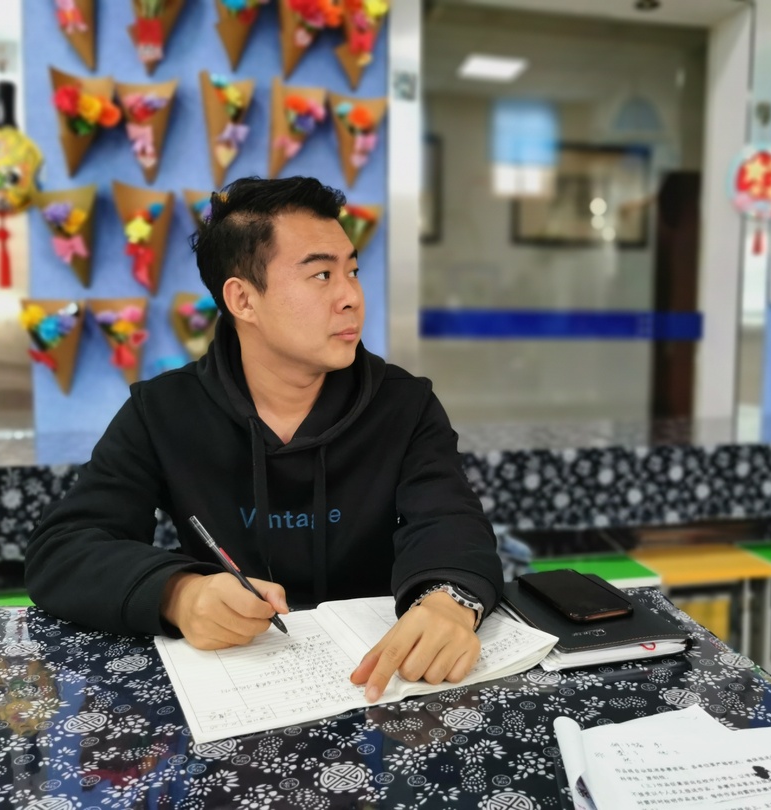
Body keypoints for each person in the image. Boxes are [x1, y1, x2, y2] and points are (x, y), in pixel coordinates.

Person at [25, 176, 504, 702]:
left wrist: (447, 602)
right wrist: (179, 594)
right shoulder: (163, 410)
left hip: (378, 679)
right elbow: (64, 550)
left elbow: (451, 521)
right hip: (235, 682)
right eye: (321, 275)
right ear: (243, 299)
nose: (351, 297)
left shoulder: (404, 404)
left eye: (352, 271)